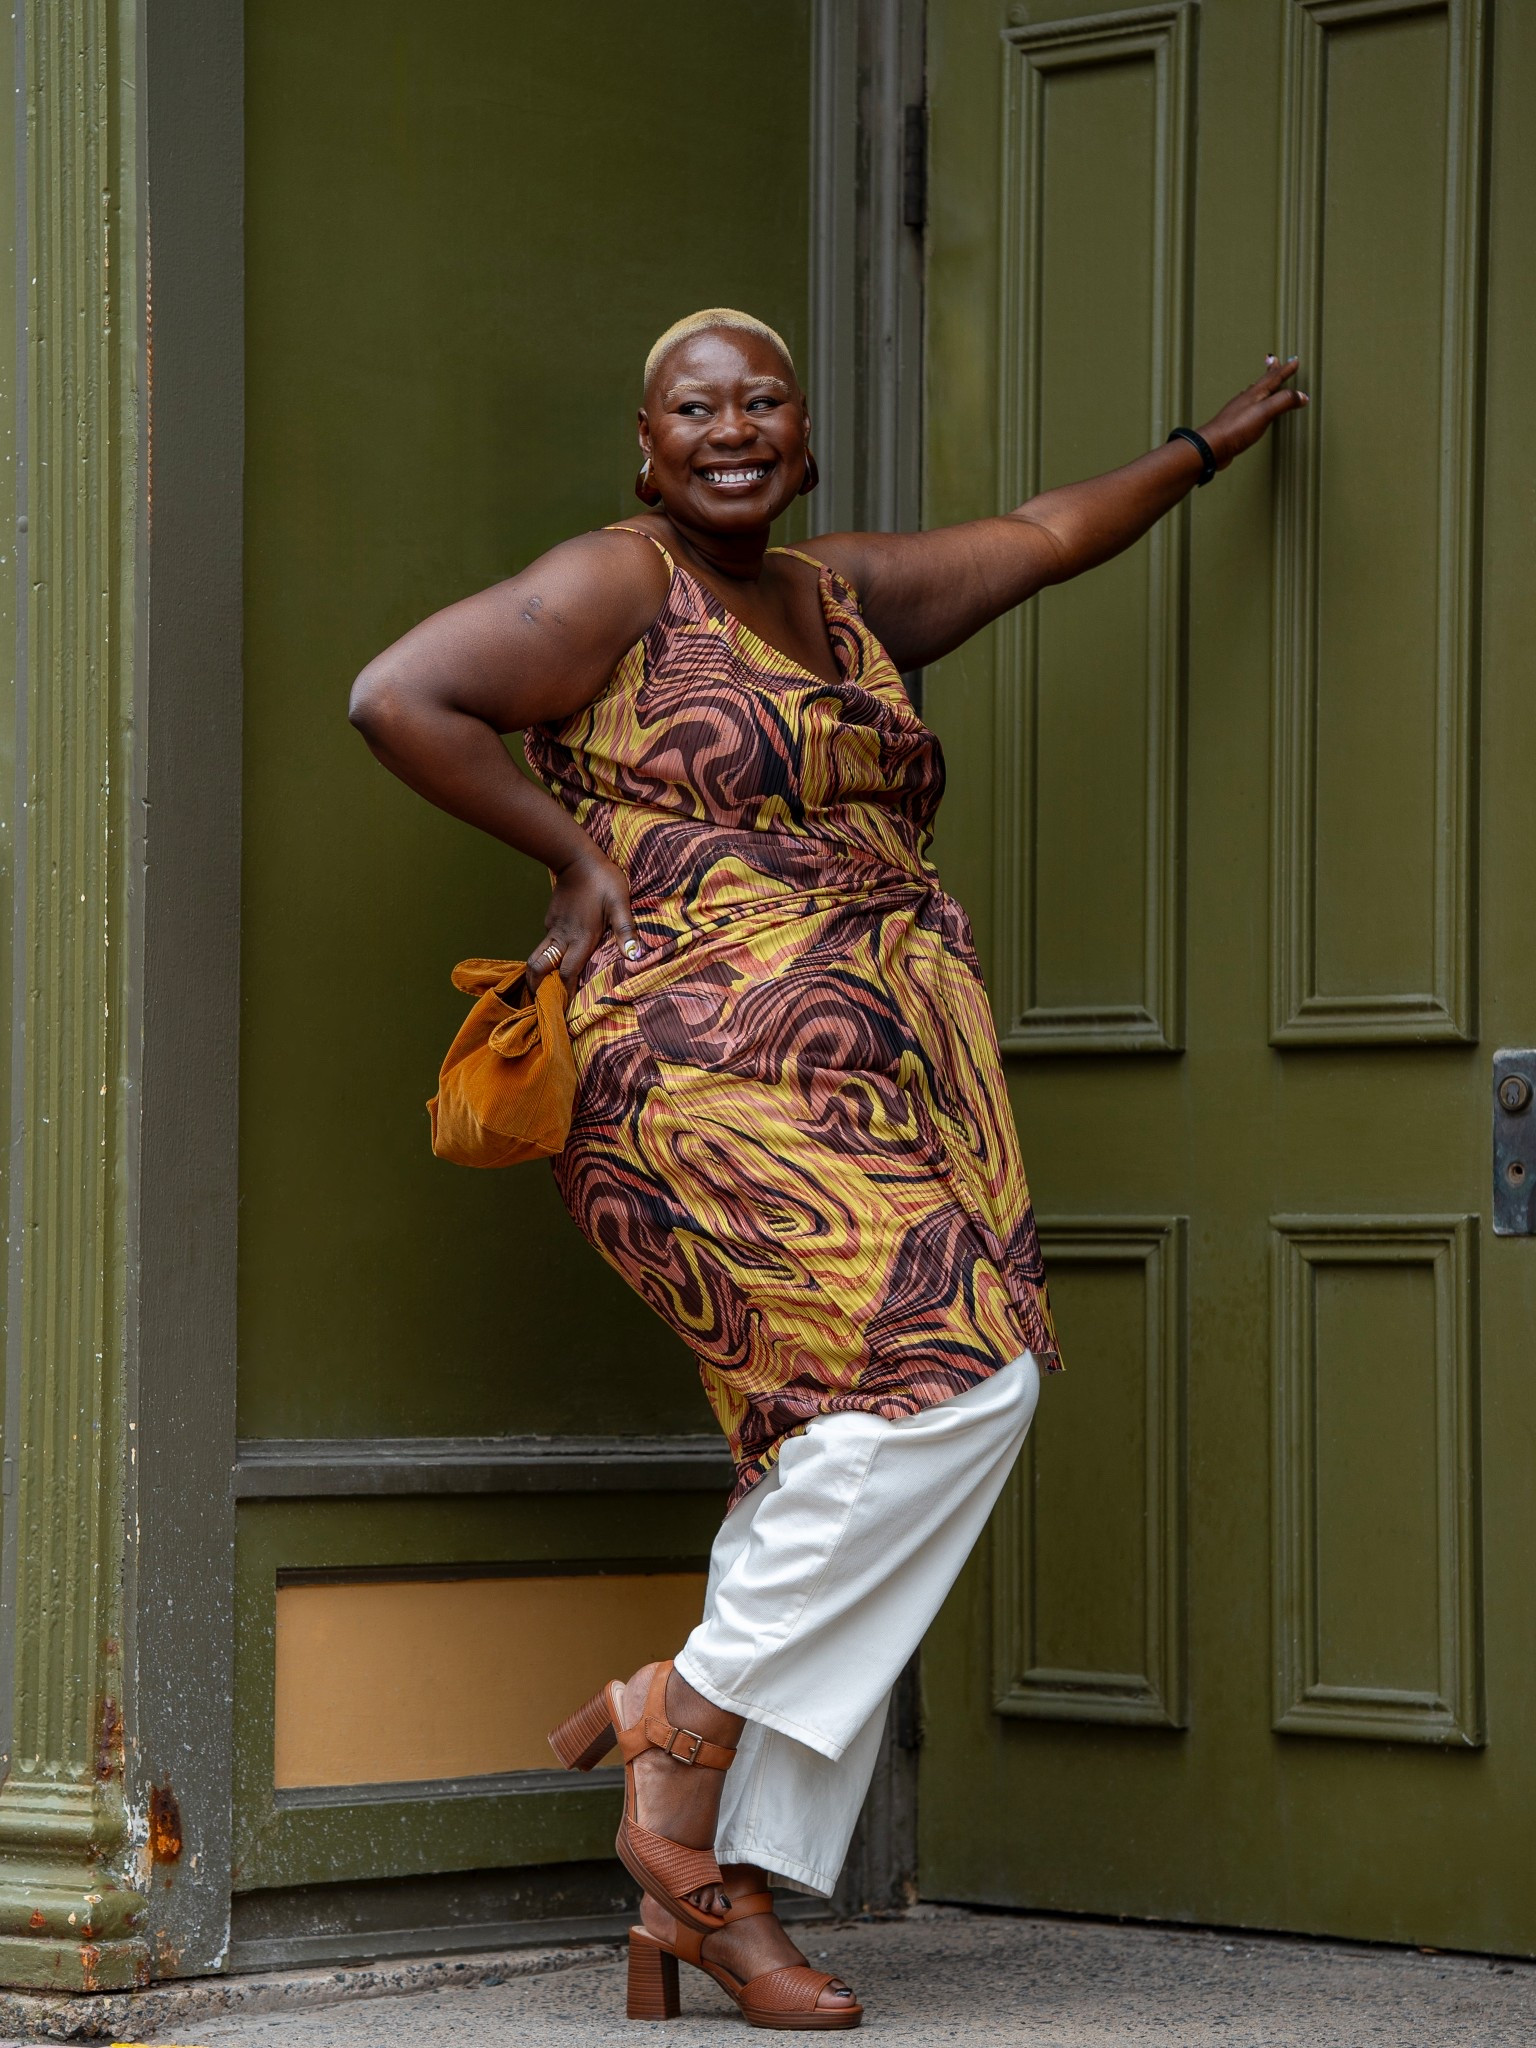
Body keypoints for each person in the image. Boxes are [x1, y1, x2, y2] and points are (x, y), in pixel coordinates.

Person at [349, 308, 1305, 2028]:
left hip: (881, 1073)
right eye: (695, 406)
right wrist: (568, 859)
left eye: (762, 400)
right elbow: (398, 694)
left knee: (827, 1447)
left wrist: (1207, 445)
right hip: (692, 1070)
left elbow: (1040, 539)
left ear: (803, 438)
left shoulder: (848, 595)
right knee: (957, 1385)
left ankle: (715, 1898)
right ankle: (682, 1735)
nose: (732, 428)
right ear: (646, 444)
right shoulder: (619, 582)